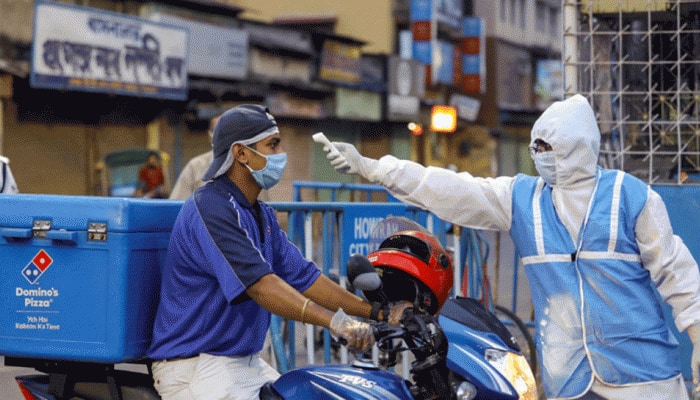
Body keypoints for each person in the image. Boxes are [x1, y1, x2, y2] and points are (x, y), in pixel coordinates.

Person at [321, 94, 700, 400]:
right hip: (569, 378)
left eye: (546, 145)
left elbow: (676, 273)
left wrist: (699, 338)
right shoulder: (523, 198)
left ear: (576, 147)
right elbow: (452, 189)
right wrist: (373, 167)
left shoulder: (631, 197)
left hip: (644, 378)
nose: (538, 153)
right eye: (535, 145)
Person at [147, 104, 408, 400]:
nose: (280, 154)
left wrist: (377, 312)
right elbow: (262, 286)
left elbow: (306, 279)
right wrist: (336, 323)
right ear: (241, 153)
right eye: (272, 144)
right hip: (196, 367)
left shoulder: (261, 214)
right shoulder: (212, 207)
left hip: (242, 363)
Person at [169, 114, 220, 200]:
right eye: (216, 130)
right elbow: (177, 205)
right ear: (209, 135)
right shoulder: (196, 166)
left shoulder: (245, 165)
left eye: (226, 132)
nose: (221, 135)